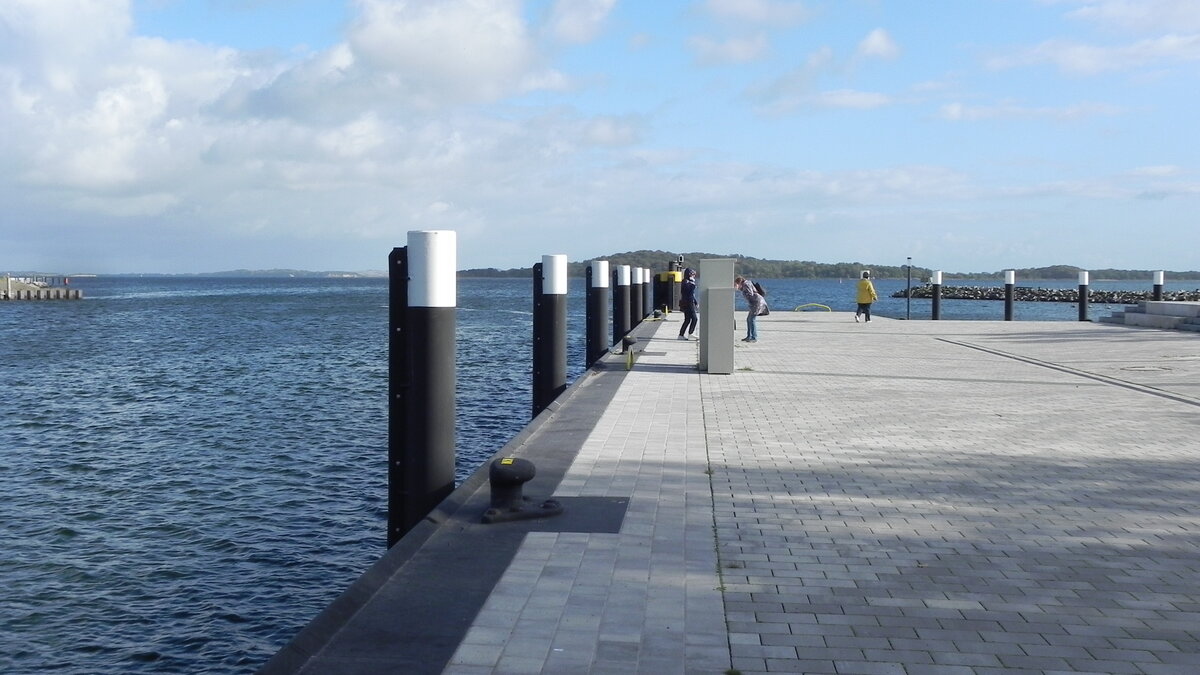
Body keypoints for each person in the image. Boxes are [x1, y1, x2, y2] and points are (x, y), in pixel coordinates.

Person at [734, 276, 767, 342]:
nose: (735, 286)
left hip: (757, 302)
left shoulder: (746, 284)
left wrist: (741, 290)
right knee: (749, 319)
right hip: (755, 302)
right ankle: (749, 336)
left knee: (751, 319)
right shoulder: (747, 283)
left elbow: (750, 294)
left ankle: (754, 337)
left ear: (739, 283)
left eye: (736, 284)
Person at [677, 268, 699, 340]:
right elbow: (688, 291)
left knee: (687, 320)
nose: (694, 276)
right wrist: (692, 284)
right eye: (692, 274)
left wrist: (696, 302)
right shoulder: (685, 282)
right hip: (688, 303)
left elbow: (692, 294)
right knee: (694, 319)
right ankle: (690, 333)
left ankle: (681, 335)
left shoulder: (689, 282)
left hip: (689, 302)